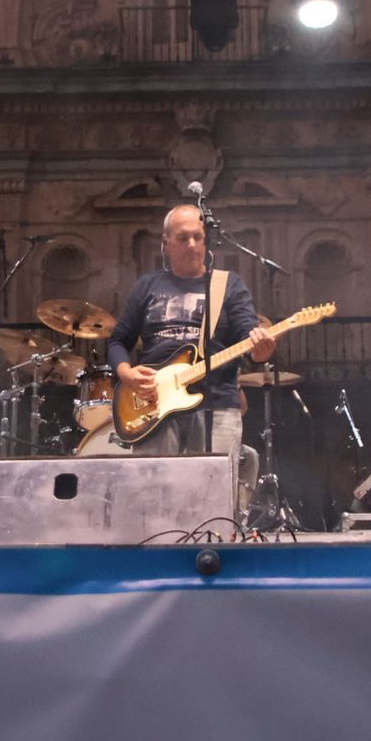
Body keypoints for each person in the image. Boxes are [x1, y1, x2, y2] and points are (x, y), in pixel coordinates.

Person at [109, 205, 275, 514]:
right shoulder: (148, 285)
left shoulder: (228, 285)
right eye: (183, 238)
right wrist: (126, 373)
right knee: (152, 497)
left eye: (198, 238)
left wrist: (259, 351)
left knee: (215, 502)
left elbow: (246, 333)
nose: (192, 246)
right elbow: (119, 340)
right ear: (165, 243)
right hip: (154, 402)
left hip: (217, 401)